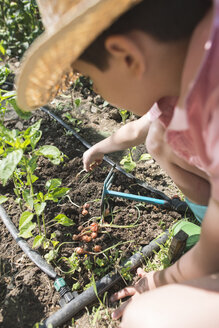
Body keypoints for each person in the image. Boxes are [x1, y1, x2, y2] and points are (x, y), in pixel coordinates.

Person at [16, 0, 219, 326]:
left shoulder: (213, 100)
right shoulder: (193, 62)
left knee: (144, 316)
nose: (95, 90)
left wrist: (163, 279)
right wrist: (98, 148)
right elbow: (140, 128)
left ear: (127, 56)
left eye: (90, 79)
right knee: (158, 136)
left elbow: (215, 244)